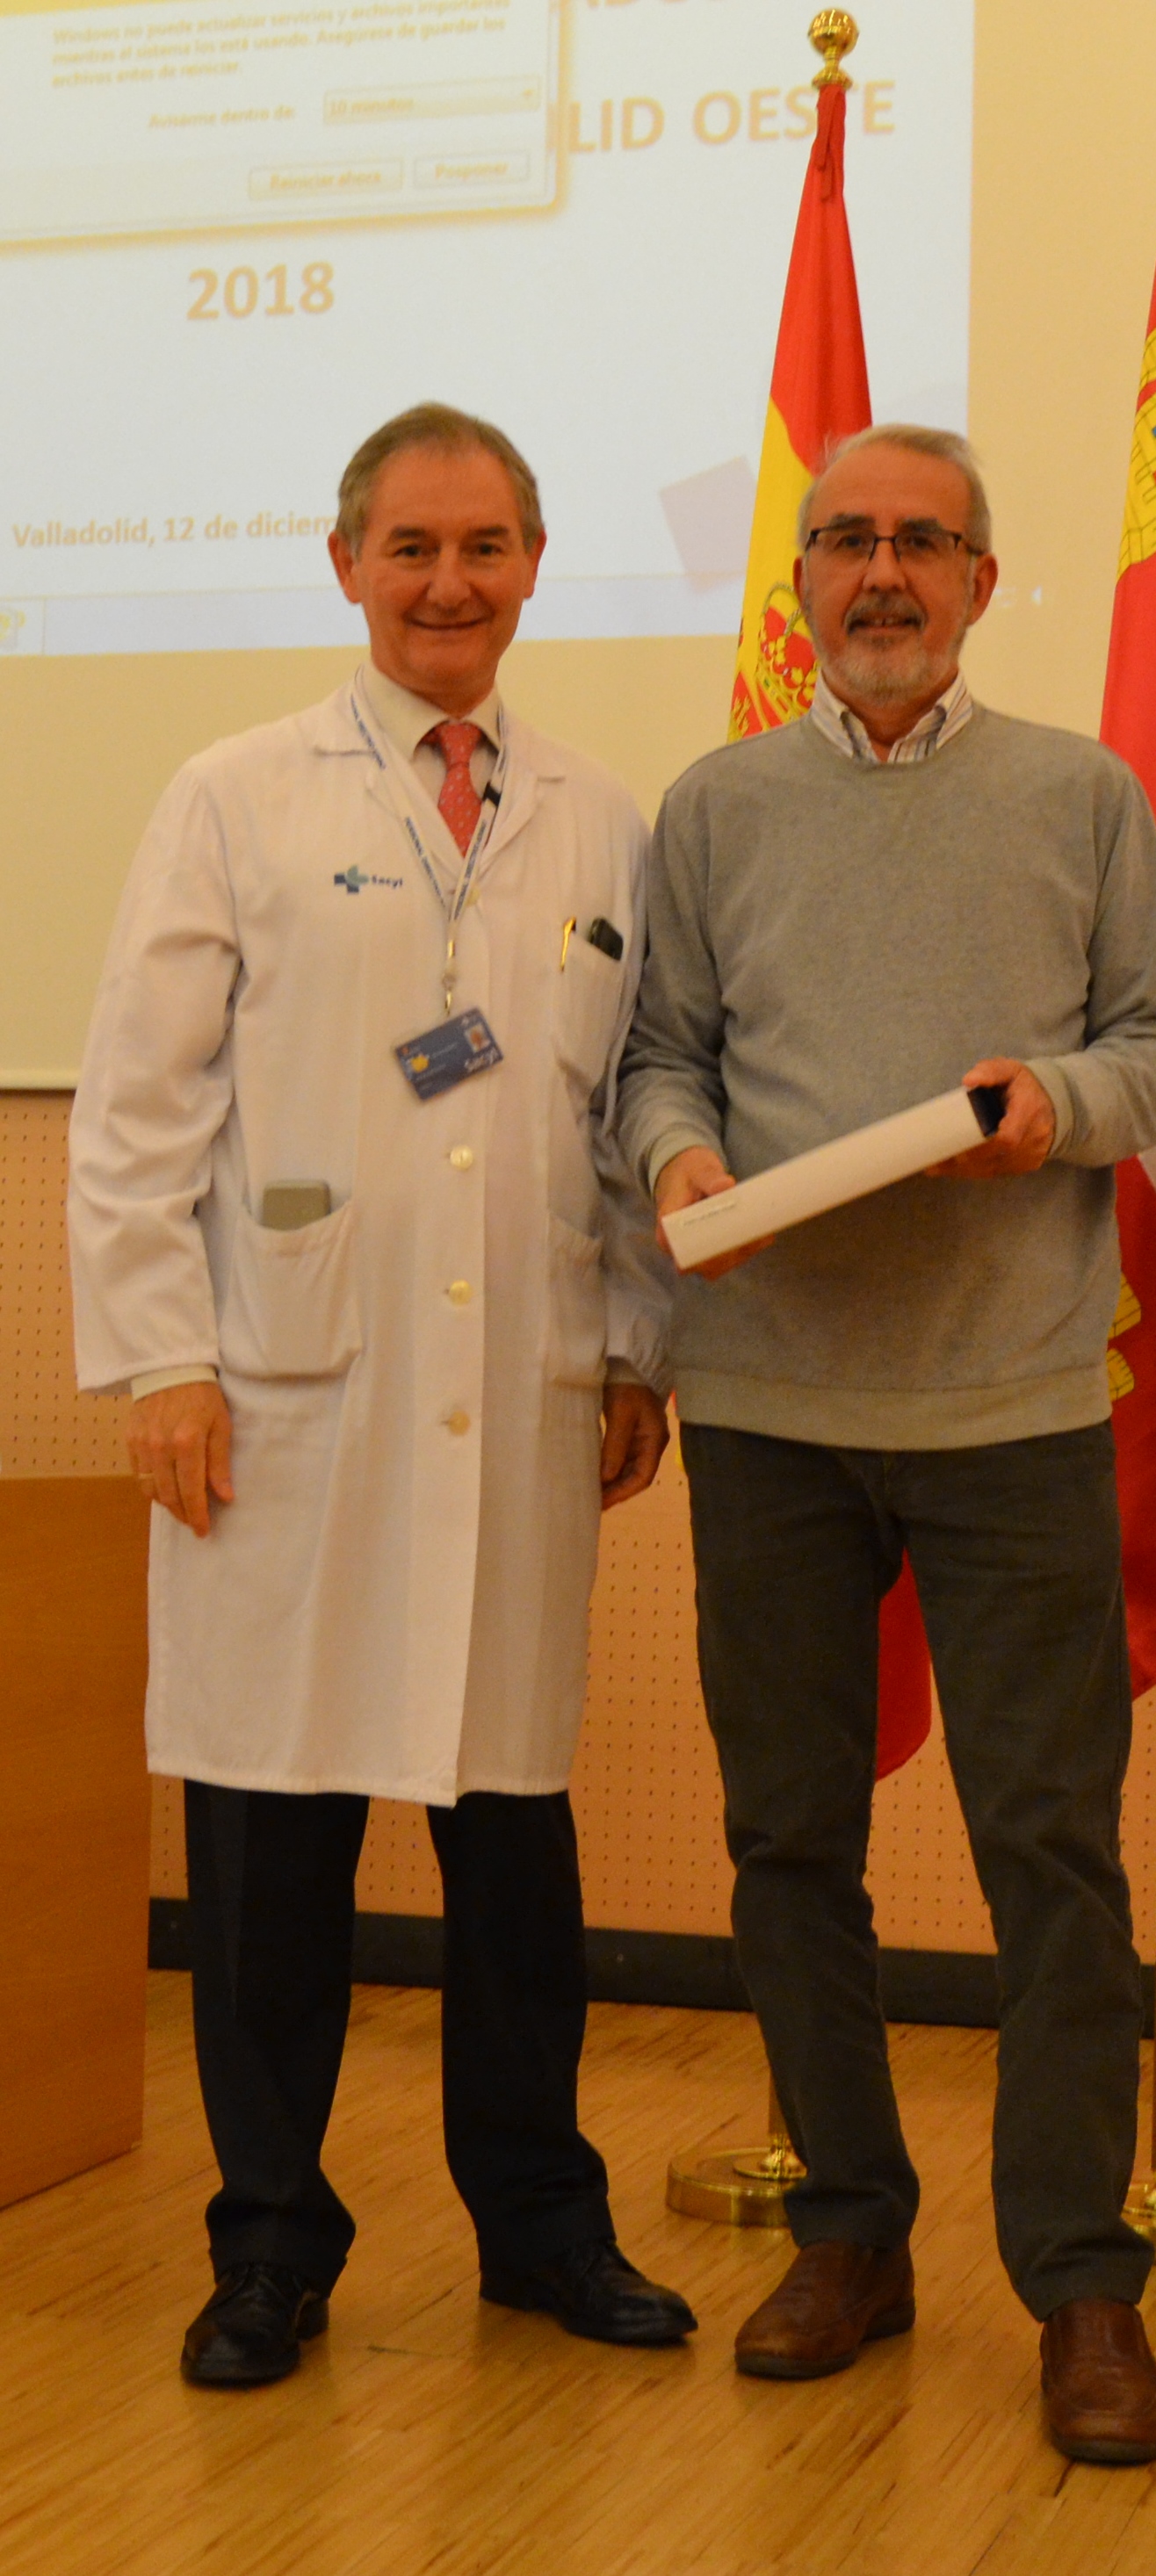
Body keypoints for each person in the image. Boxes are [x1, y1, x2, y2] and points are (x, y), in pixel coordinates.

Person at [68, 403, 696, 2389]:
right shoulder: (235, 795)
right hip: (287, 1406)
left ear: (534, 566)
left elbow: (627, 1111)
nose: (448, 582)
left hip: (518, 1399)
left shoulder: (600, 819)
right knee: (271, 1856)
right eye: (410, 546)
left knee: (513, 1846)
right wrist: (165, 1357)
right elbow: (137, 1107)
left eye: (485, 546)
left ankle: (541, 2226)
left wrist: (637, 1343)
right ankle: (270, 2244)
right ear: (345, 563)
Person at [617, 424, 1156, 2464]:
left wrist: (1056, 1106)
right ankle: (851, 2237)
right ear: (801, 577)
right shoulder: (714, 807)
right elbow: (661, 1060)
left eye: (922, 542)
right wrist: (678, 1154)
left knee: (1051, 1850)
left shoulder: (1084, 793)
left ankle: (1082, 2286)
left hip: (1013, 1407)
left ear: (979, 576)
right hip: (768, 1408)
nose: (883, 573)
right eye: (847, 539)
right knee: (791, 1840)